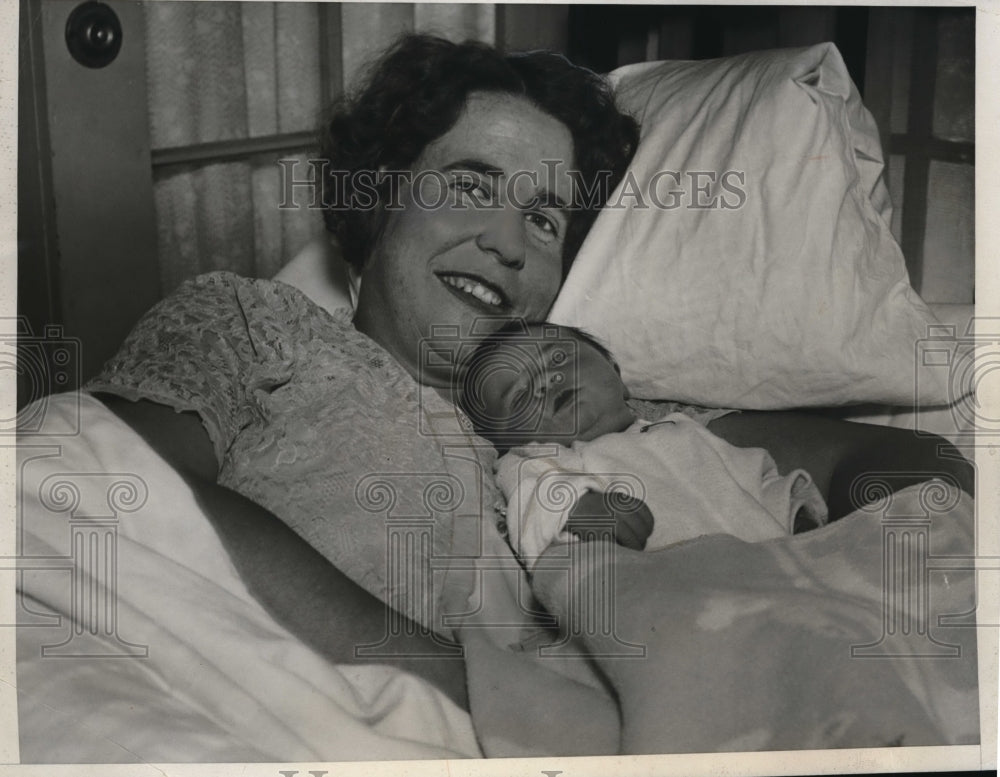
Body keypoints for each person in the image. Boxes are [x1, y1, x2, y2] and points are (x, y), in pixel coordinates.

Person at [85, 33, 973, 723]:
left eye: (543, 218)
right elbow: (104, 489)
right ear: (382, 196)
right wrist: (471, 688)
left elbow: (903, 463)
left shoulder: (592, 416)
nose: (508, 243)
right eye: (472, 187)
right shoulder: (250, 325)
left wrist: (812, 597)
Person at [457, 321, 829, 569]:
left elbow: (759, 478)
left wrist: (796, 514)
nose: (545, 382)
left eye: (558, 358)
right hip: (677, 599)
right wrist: (574, 509)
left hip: (775, 569)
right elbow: (532, 500)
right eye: (519, 396)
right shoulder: (540, 461)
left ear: (617, 377)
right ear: (505, 442)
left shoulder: (685, 431)